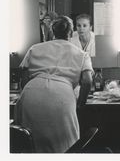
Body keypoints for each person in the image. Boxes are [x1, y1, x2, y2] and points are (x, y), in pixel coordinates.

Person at [14, 16, 93, 153]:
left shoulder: (35, 48)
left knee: (31, 142)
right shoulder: (81, 54)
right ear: (71, 32)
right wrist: (81, 103)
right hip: (61, 96)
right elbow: (87, 81)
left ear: (52, 31)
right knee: (64, 144)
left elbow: (24, 77)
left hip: (32, 93)